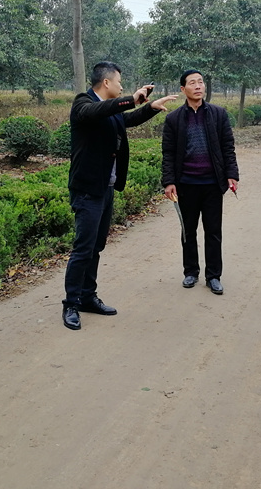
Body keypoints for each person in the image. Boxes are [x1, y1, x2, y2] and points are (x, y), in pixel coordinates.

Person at [62, 61, 176, 330]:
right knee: (83, 249)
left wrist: (149, 108)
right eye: (119, 82)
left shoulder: (110, 111)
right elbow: (95, 112)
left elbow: (123, 120)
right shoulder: (83, 103)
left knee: (97, 246)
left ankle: (88, 297)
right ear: (106, 83)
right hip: (88, 189)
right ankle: (71, 304)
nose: (122, 86)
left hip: (106, 187)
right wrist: (129, 99)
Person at [161, 69, 239, 295]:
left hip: (212, 184)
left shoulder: (218, 114)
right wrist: (169, 181)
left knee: (213, 231)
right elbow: (168, 152)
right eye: (192, 83)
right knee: (188, 230)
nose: (198, 86)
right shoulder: (174, 119)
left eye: (201, 82)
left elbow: (228, 147)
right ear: (183, 89)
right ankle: (191, 271)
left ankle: (213, 276)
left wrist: (232, 174)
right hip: (186, 184)